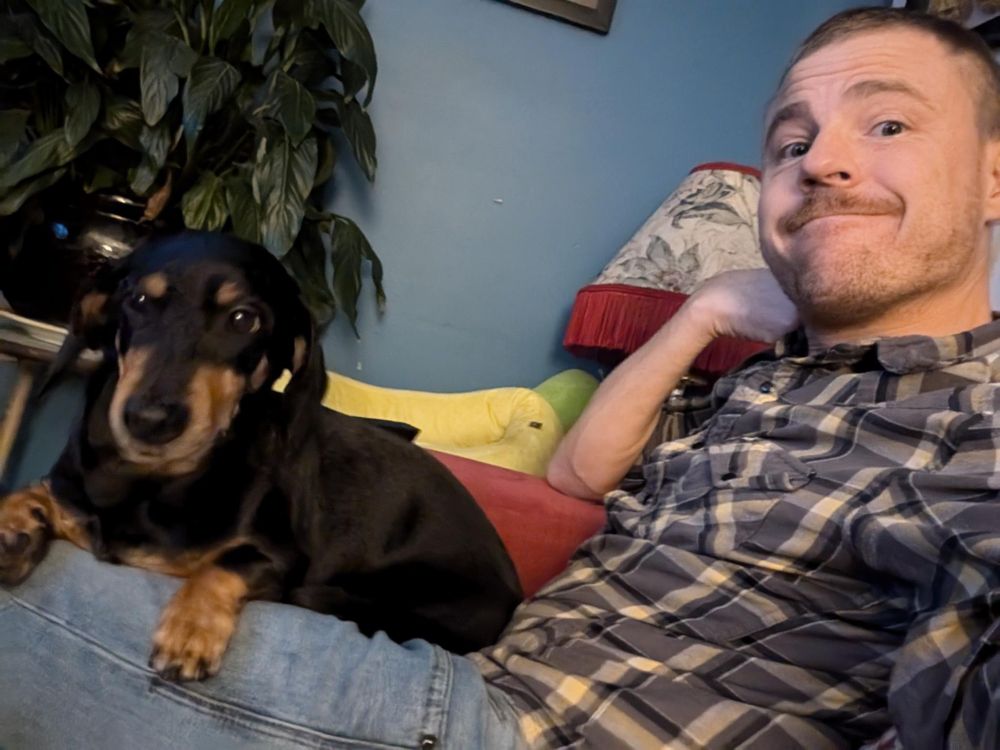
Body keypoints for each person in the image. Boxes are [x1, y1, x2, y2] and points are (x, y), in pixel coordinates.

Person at [2, 6, 999, 749]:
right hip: (460, 673)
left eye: (887, 126)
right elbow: (575, 479)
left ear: (993, 174)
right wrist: (698, 317)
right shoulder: (763, 383)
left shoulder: (975, 435)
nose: (820, 162)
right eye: (791, 141)